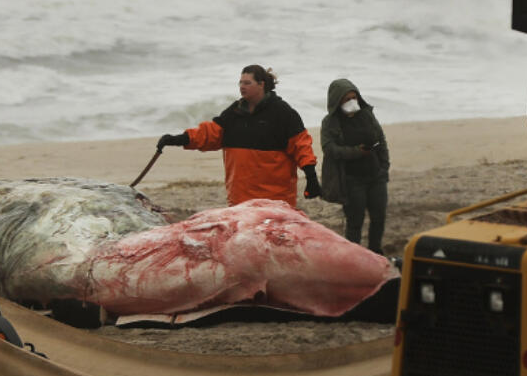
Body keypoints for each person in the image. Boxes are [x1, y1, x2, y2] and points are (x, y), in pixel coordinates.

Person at [156, 65, 319, 207]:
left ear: (261, 85)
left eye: (247, 83)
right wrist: (177, 139)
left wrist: (311, 177)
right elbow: (210, 134)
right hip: (240, 200)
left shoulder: (283, 113)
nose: (242, 86)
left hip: (275, 200)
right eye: (240, 82)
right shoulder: (234, 112)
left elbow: (301, 146)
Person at [320, 78, 389, 254]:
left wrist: (384, 167)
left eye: (354, 97)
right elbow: (330, 149)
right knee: (355, 221)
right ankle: (354, 256)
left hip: (375, 176)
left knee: (378, 217)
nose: (351, 102)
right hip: (351, 180)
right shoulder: (330, 122)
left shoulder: (367, 115)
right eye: (347, 99)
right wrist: (357, 151)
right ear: (337, 101)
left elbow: (381, 140)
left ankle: (376, 251)